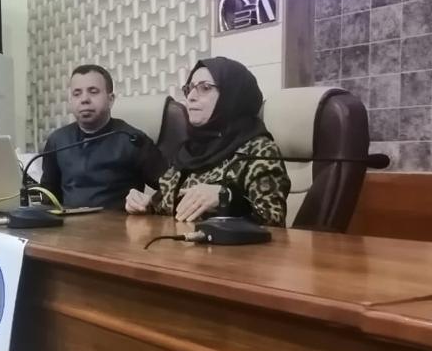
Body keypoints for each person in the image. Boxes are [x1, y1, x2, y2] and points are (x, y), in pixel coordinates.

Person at [125, 57, 290, 225]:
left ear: (231, 95)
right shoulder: (188, 149)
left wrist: (228, 197)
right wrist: (146, 205)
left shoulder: (258, 149)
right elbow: (168, 210)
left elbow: (273, 219)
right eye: (189, 88)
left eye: (205, 88)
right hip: (179, 241)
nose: (191, 97)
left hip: (226, 243)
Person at [40, 64, 167, 209]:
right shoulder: (57, 140)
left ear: (110, 99)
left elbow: (171, 189)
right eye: (77, 93)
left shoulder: (133, 140)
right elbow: (49, 196)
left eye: (93, 92)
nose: (84, 99)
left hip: (119, 222)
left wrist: (149, 203)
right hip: (69, 221)